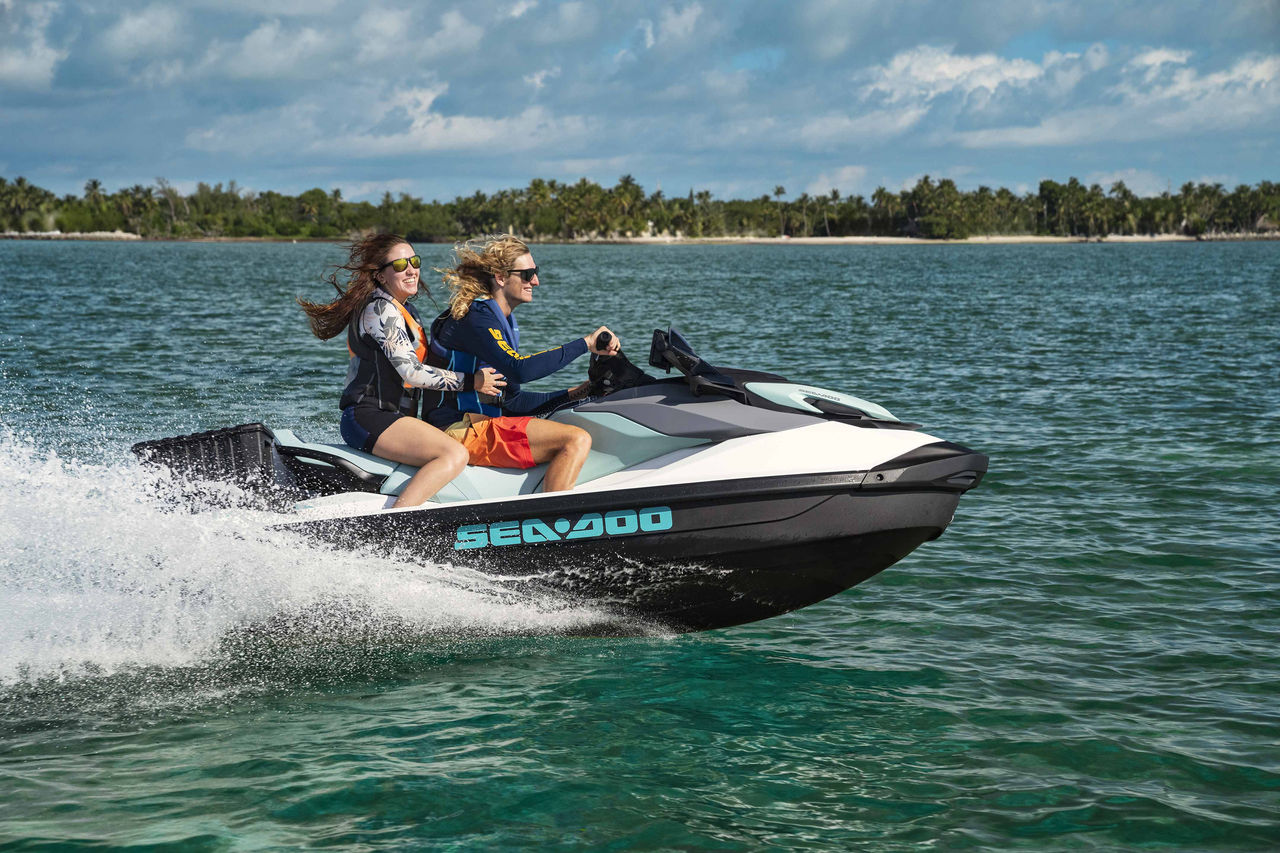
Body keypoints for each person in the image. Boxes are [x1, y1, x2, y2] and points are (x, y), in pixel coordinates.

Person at [298, 233, 504, 508]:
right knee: (453, 454)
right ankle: (398, 523)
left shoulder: (407, 310)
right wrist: (472, 381)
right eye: (399, 265)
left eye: (414, 261)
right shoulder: (380, 310)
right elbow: (411, 373)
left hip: (394, 419)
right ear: (381, 276)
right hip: (370, 416)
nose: (411, 269)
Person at [423, 234, 619, 492]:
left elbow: (513, 402)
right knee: (575, 439)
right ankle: (553, 523)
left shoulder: (503, 322)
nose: (535, 281)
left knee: (575, 422)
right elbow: (521, 369)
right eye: (527, 274)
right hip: (457, 428)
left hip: (479, 422)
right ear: (501, 277)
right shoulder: (477, 318)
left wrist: (580, 393)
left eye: (535, 273)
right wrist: (585, 344)